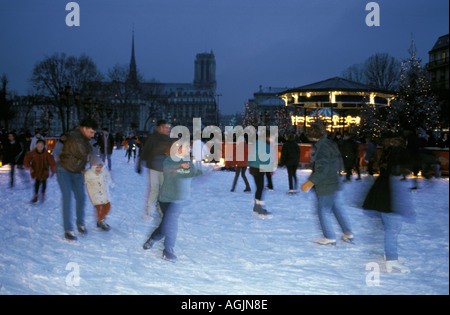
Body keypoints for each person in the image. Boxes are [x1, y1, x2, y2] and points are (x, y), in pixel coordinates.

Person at [142, 141, 219, 262]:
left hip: (179, 200)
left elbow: (195, 171)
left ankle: (168, 251)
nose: (190, 149)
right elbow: (173, 172)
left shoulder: (188, 161)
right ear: (178, 149)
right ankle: (152, 238)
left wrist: (211, 167)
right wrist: (180, 167)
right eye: (187, 147)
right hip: (165, 198)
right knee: (166, 225)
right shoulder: (169, 161)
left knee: (170, 224)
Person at [362, 135, 413, 273]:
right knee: (393, 228)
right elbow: (411, 160)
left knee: (392, 228)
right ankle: (391, 260)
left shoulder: (388, 154)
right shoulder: (395, 155)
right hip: (387, 198)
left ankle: (389, 255)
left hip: (384, 196)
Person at [301, 123, 353, 245]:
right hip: (334, 181)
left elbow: (322, 169)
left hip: (326, 184)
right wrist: (340, 175)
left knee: (323, 210)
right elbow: (339, 160)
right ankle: (347, 232)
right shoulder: (330, 143)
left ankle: (329, 237)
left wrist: (310, 182)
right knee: (336, 208)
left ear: (311, 136)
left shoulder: (322, 148)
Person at [57, 118, 98, 241]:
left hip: (77, 172)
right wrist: (93, 155)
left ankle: (80, 223)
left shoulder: (84, 138)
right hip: (64, 171)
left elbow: (89, 153)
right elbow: (83, 152)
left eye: (94, 133)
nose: (92, 135)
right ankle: (68, 229)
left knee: (81, 197)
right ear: (84, 129)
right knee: (67, 198)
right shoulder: (75, 137)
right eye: (91, 132)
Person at [138, 120, 173, 219]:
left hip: (165, 169)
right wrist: (139, 164)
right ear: (160, 127)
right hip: (153, 167)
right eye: (166, 127)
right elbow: (145, 151)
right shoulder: (153, 138)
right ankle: (149, 211)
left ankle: (161, 211)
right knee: (154, 190)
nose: (167, 129)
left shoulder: (169, 139)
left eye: (168, 128)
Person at [248, 128, 278, 217]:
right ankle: (257, 207)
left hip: (256, 167)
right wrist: (270, 168)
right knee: (260, 187)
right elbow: (264, 158)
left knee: (260, 187)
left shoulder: (260, 143)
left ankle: (257, 207)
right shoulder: (263, 144)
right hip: (257, 168)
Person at [85, 155, 114, 231]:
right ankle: (101, 221)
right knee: (99, 209)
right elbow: (86, 184)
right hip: (95, 194)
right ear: (93, 167)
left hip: (104, 193)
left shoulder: (103, 170)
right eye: (97, 167)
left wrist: (111, 182)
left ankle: (100, 220)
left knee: (108, 207)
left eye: (100, 167)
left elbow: (108, 175)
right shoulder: (88, 174)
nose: (99, 169)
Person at [23, 139, 56, 203]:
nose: (39, 147)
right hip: (36, 170)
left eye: (41, 145)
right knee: (37, 183)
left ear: (44, 146)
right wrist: (29, 166)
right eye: (38, 145)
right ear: (36, 145)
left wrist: (53, 170)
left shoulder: (47, 154)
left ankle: (43, 193)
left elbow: (52, 162)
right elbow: (26, 160)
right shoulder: (33, 153)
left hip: (44, 171)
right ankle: (35, 196)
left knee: (44, 182)